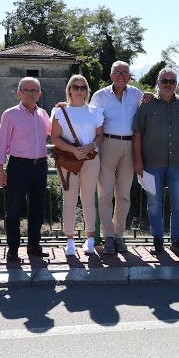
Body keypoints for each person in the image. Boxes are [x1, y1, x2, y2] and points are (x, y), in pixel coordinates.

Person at [133, 68, 179, 256]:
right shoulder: (146, 104)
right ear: (158, 82)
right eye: (164, 81)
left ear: (176, 84)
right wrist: (138, 161)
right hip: (151, 164)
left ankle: (177, 240)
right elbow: (137, 134)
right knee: (154, 205)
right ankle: (157, 241)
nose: (168, 84)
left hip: (178, 164)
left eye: (172, 81)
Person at [0, 77, 52, 263]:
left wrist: (62, 109)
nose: (29, 93)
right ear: (19, 93)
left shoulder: (44, 114)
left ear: (39, 94)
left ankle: (34, 246)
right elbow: (2, 143)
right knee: (13, 210)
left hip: (40, 166)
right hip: (19, 166)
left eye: (33, 90)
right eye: (25, 90)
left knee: (37, 209)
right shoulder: (10, 114)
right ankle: (13, 249)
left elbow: (55, 132)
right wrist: (0, 169)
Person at [90, 61, 143, 255]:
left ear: (130, 76)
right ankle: (108, 236)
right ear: (111, 76)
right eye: (117, 73)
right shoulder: (99, 96)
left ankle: (119, 235)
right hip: (107, 144)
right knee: (104, 193)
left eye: (125, 73)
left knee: (123, 194)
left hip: (130, 145)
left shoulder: (137, 94)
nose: (121, 76)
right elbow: (89, 117)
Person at [50, 75, 103, 257]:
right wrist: (73, 150)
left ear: (87, 91)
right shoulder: (60, 112)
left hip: (90, 158)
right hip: (69, 160)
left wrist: (90, 146)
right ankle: (70, 240)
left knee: (88, 198)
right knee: (69, 199)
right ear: (69, 89)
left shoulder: (95, 111)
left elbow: (99, 135)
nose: (80, 90)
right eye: (76, 86)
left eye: (83, 87)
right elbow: (54, 138)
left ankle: (90, 239)